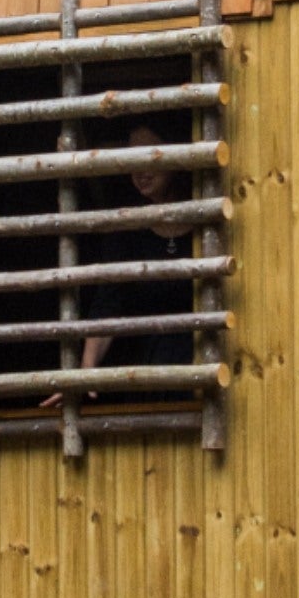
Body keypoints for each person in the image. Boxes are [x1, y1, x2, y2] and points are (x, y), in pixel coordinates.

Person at [46, 123, 197, 409]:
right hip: (145, 377)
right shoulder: (127, 227)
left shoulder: (207, 223)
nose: (139, 171)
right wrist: (86, 371)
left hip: (199, 372)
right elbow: (108, 303)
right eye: (130, 159)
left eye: (148, 155)